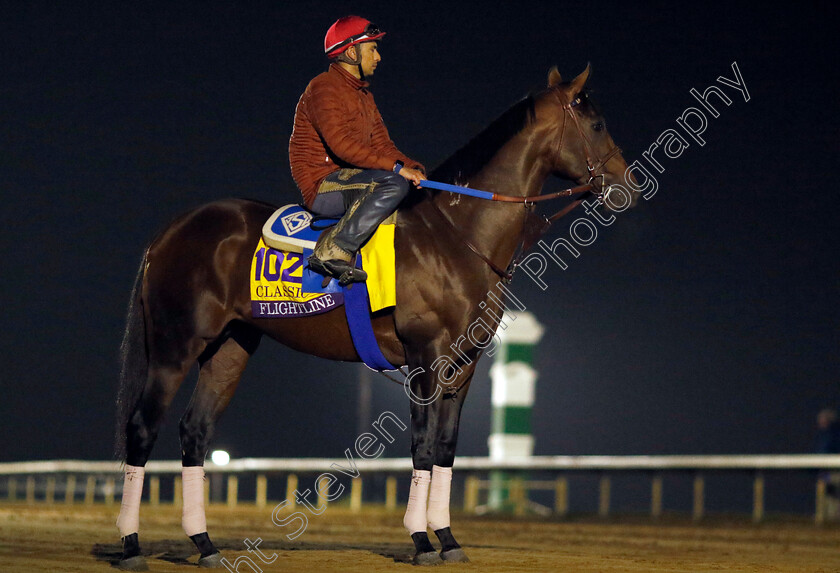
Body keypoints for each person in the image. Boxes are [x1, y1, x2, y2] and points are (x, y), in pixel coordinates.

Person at [289, 15, 425, 285]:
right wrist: (398, 170)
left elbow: (383, 146)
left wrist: (415, 168)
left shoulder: (365, 96)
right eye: (372, 49)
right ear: (352, 52)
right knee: (394, 184)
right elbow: (342, 146)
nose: (378, 57)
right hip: (322, 184)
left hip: (356, 178)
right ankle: (331, 251)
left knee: (407, 185)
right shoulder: (323, 88)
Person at [815, 408, 840, 519]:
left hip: (834, 472)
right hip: (829, 472)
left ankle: (828, 517)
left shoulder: (831, 435)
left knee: (828, 487)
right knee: (826, 489)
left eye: (821, 420)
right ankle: (828, 516)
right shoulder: (827, 434)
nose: (819, 423)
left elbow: (824, 453)